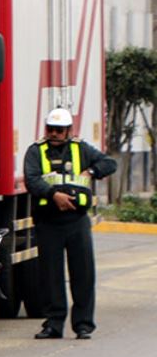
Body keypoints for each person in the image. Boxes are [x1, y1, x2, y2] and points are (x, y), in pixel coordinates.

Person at [25, 108, 116, 339]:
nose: (54, 134)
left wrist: (92, 170)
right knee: (50, 275)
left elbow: (110, 163)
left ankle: (83, 324)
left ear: (69, 131)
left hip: (77, 222)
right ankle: (53, 325)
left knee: (83, 274)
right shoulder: (36, 151)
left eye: (59, 130)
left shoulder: (81, 149)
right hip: (48, 221)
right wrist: (54, 195)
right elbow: (32, 180)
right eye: (51, 129)